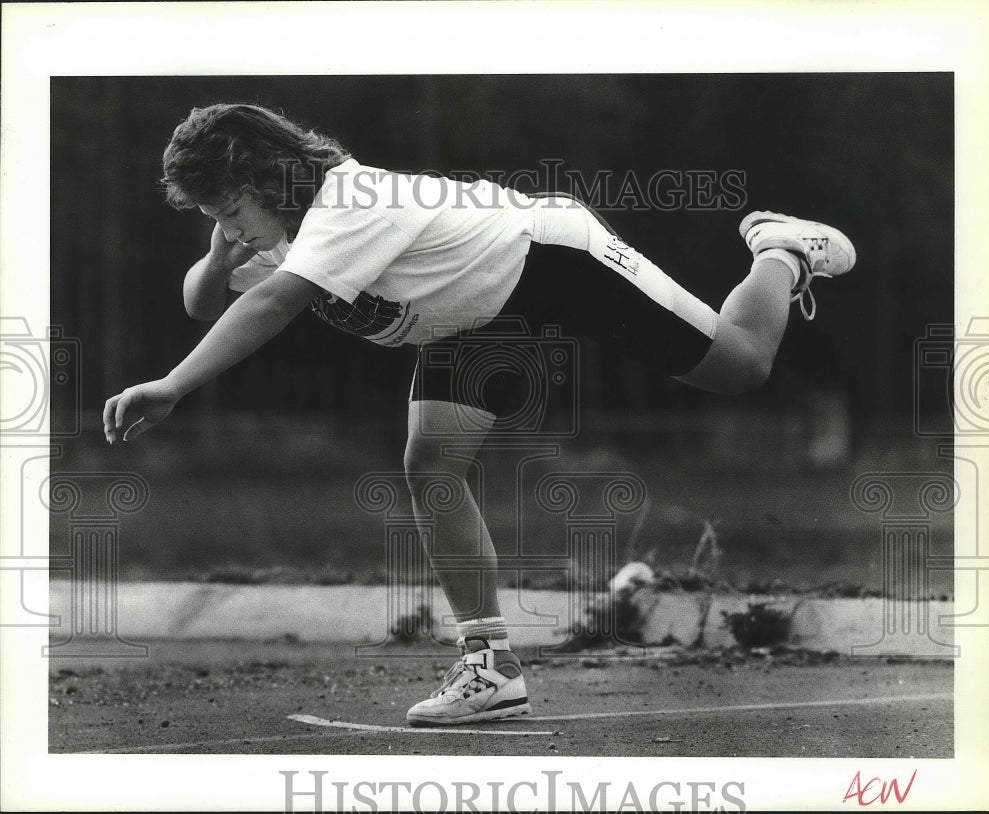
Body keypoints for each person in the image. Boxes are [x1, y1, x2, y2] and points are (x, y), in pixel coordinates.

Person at [103, 103, 856, 727]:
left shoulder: (348, 202)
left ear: (267, 178)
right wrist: (219, 248)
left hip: (548, 259)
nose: (232, 228)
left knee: (742, 366)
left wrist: (173, 384)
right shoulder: (269, 230)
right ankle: (489, 666)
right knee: (429, 463)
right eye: (214, 217)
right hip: (468, 317)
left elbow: (273, 304)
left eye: (232, 209)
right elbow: (204, 299)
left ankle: (780, 250)